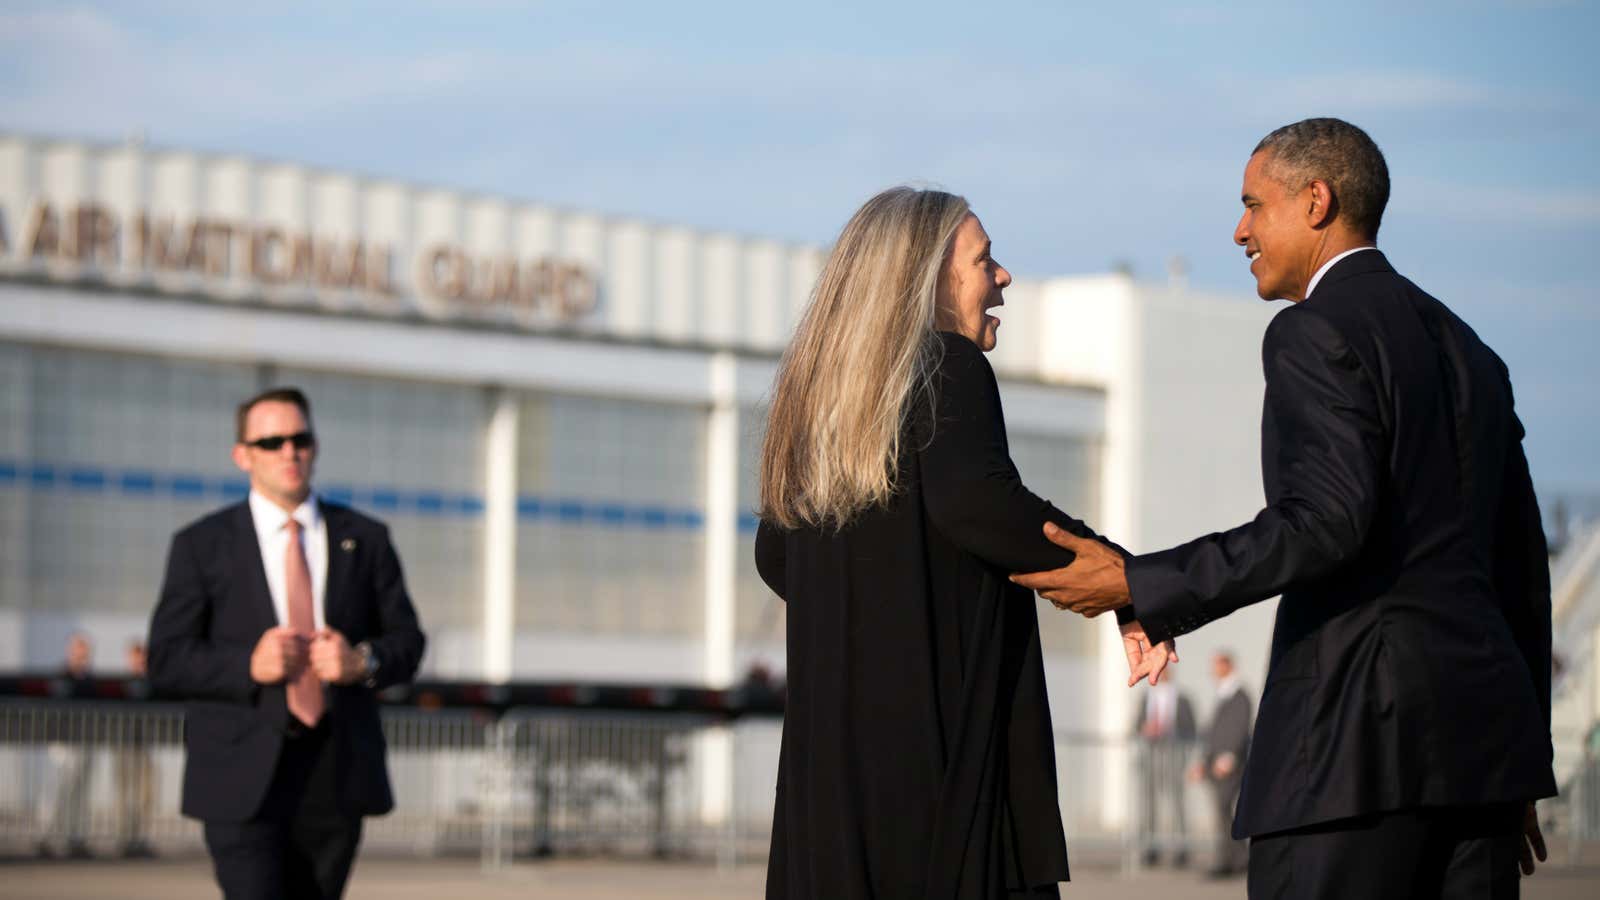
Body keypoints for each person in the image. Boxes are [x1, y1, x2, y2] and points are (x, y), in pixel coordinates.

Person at [1012, 118, 1556, 899]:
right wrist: (1521, 761)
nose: (1238, 231)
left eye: (1251, 204)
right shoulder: (1475, 353)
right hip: (1484, 766)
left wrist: (1143, 584)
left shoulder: (1314, 329)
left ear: (1316, 201)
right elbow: (1520, 568)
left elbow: (1326, 520)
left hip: (1354, 754)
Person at [755, 187, 1133, 899]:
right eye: (984, 261)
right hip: (936, 775)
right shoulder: (950, 367)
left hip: (829, 793)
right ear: (926, 278)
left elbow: (776, 559)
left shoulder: (811, 407)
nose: (1003, 278)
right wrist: (1129, 581)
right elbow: (987, 510)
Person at [148, 387, 426, 900]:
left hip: (336, 774)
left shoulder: (365, 538)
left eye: (300, 438)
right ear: (243, 455)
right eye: (271, 441)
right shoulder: (202, 545)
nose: (289, 452)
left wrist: (360, 662)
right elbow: (166, 659)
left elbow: (408, 642)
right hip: (241, 778)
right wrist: (246, 666)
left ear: (315, 445)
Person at [1188, 650, 1251, 878]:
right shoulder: (1223, 694)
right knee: (1221, 812)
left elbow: (1238, 729)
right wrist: (1203, 762)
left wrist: (1228, 757)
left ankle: (1230, 860)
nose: (1213, 671)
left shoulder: (1240, 695)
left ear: (1227, 666)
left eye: (1216, 665)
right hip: (1215, 765)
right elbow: (1213, 734)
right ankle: (1237, 858)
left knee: (1223, 809)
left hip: (1229, 766)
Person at [38, 632, 96, 859]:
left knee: (80, 793)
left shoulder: (90, 680)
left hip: (85, 742)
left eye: (85, 648)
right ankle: (46, 837)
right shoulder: (60, 677)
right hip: (63, 743)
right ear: (70, 650)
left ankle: (76, 838)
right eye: (78, 648)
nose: (82, 653)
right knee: (57, 792)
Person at [1130, 666, 1194, 868]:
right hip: (1151, 754)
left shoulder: (1182, 699)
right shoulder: (1146, 697)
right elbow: (1135, 724)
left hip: (1174, 754)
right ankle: (1150, 847)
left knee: (1177, 802)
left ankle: (1181, 848)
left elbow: (1191, 727)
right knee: (1148, 802)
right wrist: (1144, 728)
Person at [116, 640, 157, 858]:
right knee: (125, 794)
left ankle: (141, 837)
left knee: (145, 794)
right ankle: (125, 837)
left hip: (144, 747)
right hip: (124, 746)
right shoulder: (121, 685)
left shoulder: (152, 683)